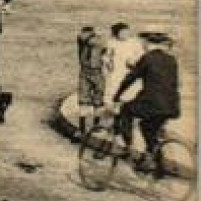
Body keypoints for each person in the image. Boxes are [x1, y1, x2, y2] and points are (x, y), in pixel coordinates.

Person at [111, 31, 181, 173]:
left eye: (143, 42)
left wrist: (117, 96)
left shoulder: (147, 58)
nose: (142, 45)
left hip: (152, 103)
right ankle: (156, 161)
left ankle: (127, 146)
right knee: (148, 127)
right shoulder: (171, 59)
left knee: (126, 110)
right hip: (172, 105)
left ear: (148, 43)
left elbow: (130, 78)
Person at [76, 25, 107, 134]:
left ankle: (96, 125)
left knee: (98, 100)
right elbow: (85, 39)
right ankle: (82, 128)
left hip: (97, 71)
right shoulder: (87, 40)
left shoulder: (96, 41)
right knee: (84, 100)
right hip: (86, 71)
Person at [105, 22, 143, 102]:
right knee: (115, 88)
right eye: (122, 32)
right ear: (116, 33)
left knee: (131, 89)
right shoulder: (112, 42)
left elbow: (141, 56)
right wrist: (108, 63)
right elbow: (106, 56)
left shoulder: (135, 42)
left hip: (130, 70)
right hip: (117, 70)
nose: (125, 34)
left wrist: (134, 60)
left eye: (126, 32)